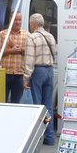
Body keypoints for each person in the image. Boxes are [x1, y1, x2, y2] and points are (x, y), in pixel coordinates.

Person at [23, 12, 57, 145]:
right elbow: (54, 54)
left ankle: (38, 137)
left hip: (38, 71)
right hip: (49, 70)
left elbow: (29, 59)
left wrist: (26, 77)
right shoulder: (51, 36)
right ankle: (50, 137)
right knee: (48, 105)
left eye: (30, 23)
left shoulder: (32, 37)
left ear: (33, 24)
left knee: (37, 105)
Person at [0, 12, 27, 103]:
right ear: (10, 20)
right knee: (2, 102)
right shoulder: (2, 34)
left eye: (19, 20)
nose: (17, 22)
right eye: (15, 20)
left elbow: (30, 53)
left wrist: (19, 49)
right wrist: (11, 50)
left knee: (16, 103)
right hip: (4, 73)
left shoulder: (27, 35)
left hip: (20, 75)